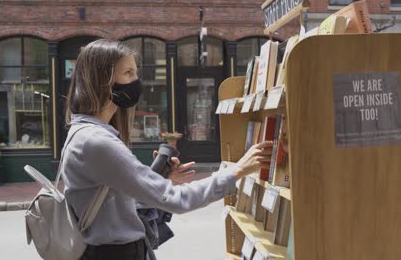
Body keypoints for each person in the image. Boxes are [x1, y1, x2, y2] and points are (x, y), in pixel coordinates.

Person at [60, 39, 273, 260]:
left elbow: (117, 201)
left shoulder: (83, 133)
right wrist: (236, 171)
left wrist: (159, 181)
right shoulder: (98, 142)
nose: (136, 81)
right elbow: (178, 199)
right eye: (128, 73)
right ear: (102, 80)